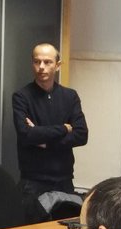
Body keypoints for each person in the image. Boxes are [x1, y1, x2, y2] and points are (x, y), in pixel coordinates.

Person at [11, 42, 88, 201]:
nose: (41, 67)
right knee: (32, 226)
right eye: (37, 61)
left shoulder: (70, 96)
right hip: (33, 181)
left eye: (47, 62)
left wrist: (46, 142)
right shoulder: (21, 97)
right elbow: (26, 135)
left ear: (57, 65)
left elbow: (81, 135)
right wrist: (64, 128)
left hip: (64, 180)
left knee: (62, 225)